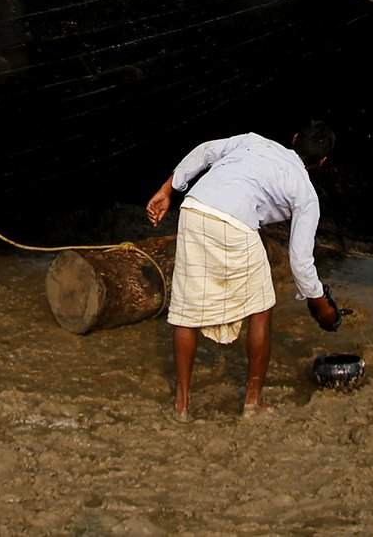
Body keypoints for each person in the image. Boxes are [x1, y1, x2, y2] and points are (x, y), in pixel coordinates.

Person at [145, 126, 343, 420]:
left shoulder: (253, 141)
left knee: (186, 311)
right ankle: (253, 403)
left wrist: (167, 189)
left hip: (194, 209)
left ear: (294, 138)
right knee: (260, 308)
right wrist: (320, 303)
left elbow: (205, 151)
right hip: (235, 223)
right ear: (323, 162)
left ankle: (182, 407)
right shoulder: (306, 193)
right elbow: (300, 261)